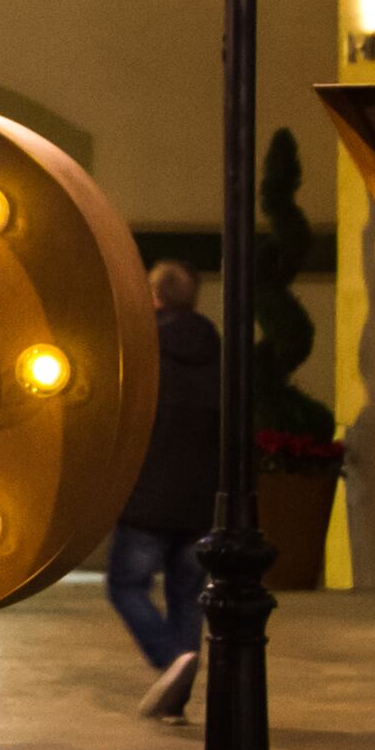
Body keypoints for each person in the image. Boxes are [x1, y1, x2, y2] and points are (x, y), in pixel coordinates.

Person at [110, 260, 221, 719]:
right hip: (198, 496)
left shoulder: (142, 347)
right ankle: (180, 678)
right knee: (186, 589)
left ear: (153, 297)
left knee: (125, 585)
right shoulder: (215, 347)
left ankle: (170, 659)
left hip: (148, 490)